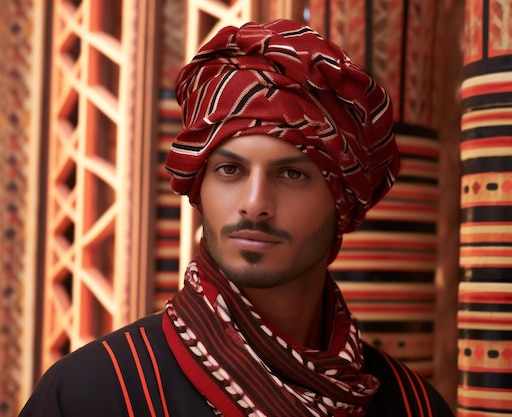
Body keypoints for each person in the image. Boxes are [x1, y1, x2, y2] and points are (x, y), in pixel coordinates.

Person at [20, 19, 454, 417]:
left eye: (291, 173)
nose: (254, 203)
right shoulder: (95, 393)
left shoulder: (410, 405)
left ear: (341, 200)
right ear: (200, 187)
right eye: (230, 170)